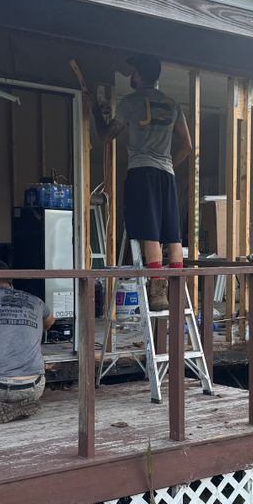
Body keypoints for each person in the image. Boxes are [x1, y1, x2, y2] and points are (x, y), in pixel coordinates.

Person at [93, 54, 193, 311]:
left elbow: (107, 136)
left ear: (139, 75)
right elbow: (188, 145)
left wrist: (95, 109)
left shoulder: (131, 102)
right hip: (166, 174)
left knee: (149, 231)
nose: (130, 77)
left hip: (142, 172)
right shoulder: (173, 104)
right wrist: (170, 162)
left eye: (132, 72)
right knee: (172, 233)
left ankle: (158, 292)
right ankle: (177, 292)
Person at [0, 260, 55, 424]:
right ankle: (15, 405)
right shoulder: (35, 300)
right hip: (34, 386)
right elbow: (50, 322)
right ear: (10, 280)